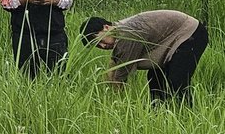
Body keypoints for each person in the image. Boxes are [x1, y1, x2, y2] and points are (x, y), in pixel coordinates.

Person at [80, 11, 208, 105]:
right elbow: (113, 63)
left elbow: (120, 75)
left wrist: (115, 104)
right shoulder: (120, 33)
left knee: (177, 81)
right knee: (155, 79)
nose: (103, 46)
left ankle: (187, 114)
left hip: (191, 34)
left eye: (100, 40)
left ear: (106, 27)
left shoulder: (126, 35)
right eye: (98, 46)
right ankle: (160, 115)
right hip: (172, 40)